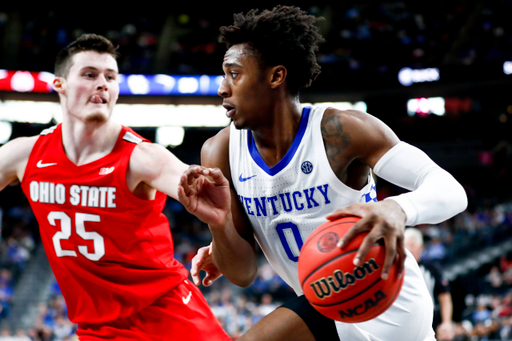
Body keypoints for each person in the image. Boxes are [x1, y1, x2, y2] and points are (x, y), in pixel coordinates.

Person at [178, 5, 467, 341]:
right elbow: (242, 274)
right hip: (327, 300)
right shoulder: (219, 151)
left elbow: (451, 191)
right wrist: (219, 224)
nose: (222, 89)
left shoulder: (341, 131)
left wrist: (398, 208)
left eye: (234, 74)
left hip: (384, 298)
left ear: (276, 76)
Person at [0, 34, 230, 341]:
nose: (103, 83)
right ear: (60, 86)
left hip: (168, 315)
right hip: (97, 328)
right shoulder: (24, 155)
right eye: (90, 74)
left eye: (110, 76)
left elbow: (206, 195)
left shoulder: (142, 157)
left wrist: (224, 231)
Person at [405, 227, 455, 341]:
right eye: (405, 245)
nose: (408, 249)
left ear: (420, 248)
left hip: (429, 320)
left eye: (412, 245)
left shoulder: (431, 269)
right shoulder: (394, 269)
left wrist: (446, 322)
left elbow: (445, 296)